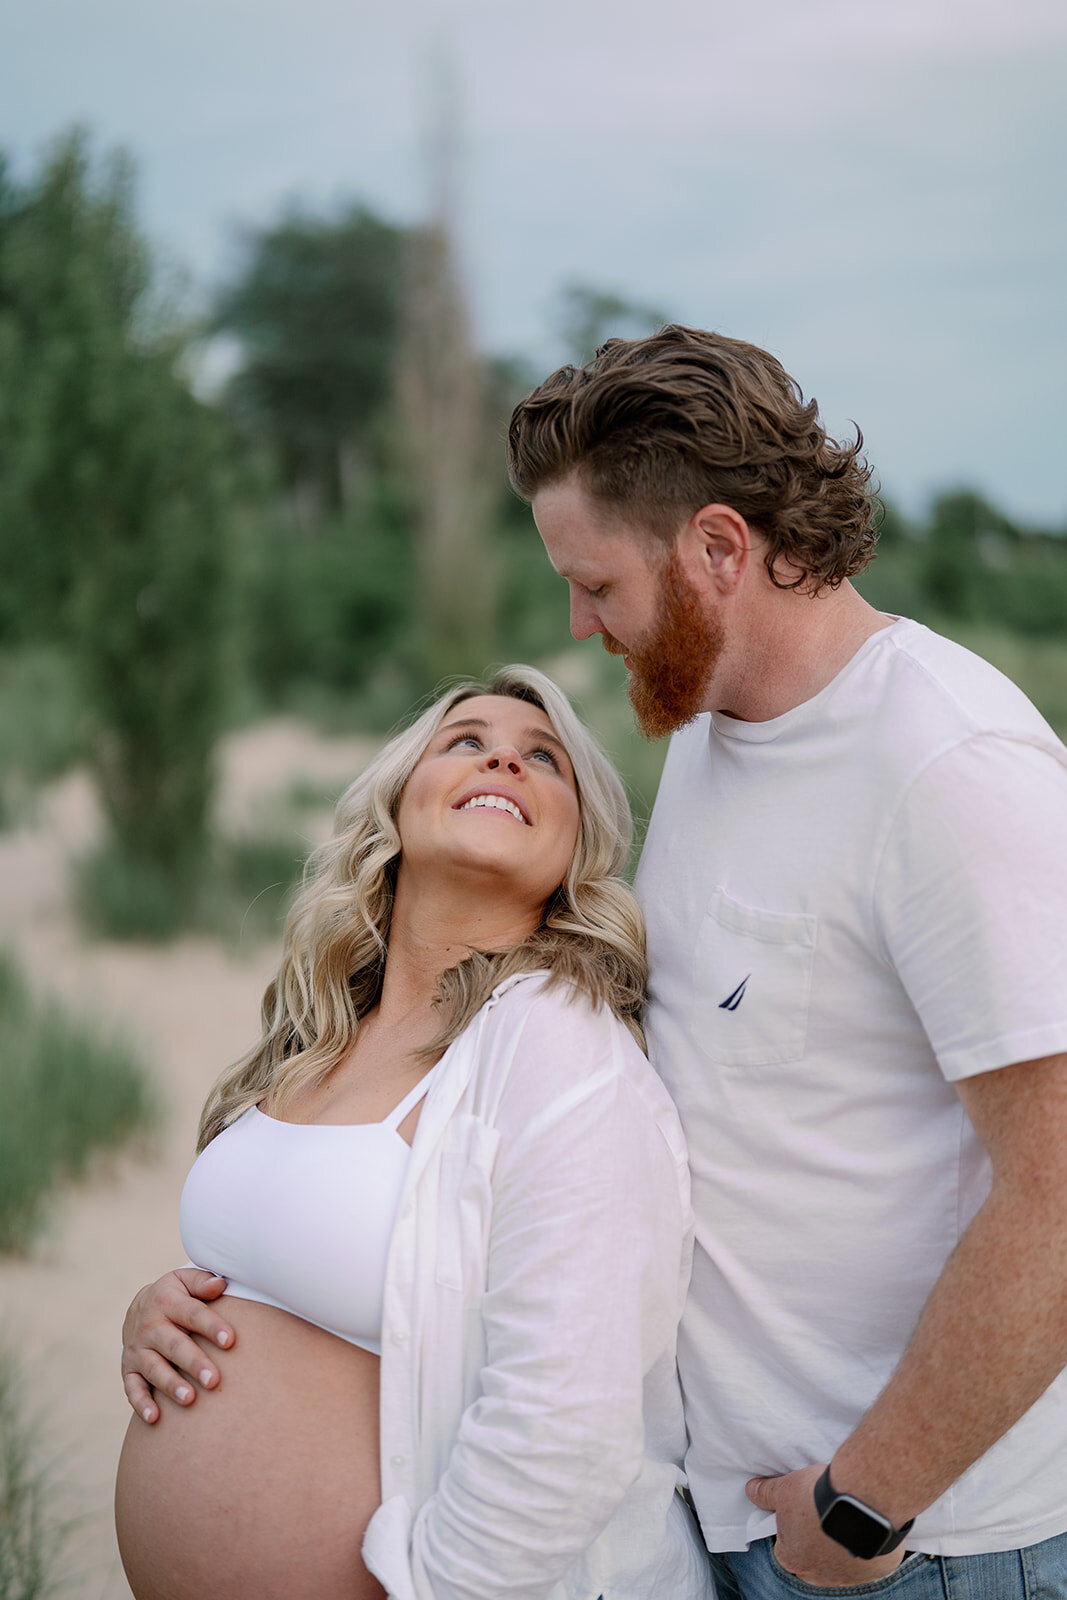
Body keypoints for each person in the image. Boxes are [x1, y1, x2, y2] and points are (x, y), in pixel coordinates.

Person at [505, 327, 1067, 1597]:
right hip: (742, 1524)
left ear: (716, 548)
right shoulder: (712, 726)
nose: (579, 625)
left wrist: (865, 1500)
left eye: (596, 585)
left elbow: (1059, 1192)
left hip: (924, 1551)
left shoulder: (947, 762)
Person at [115, 664, 712, 1600]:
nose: (504, 757)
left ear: (576, 849)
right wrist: (156, 1317)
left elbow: (566, 1431)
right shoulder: (321, 1032)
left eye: (543, 758)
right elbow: (278, 1279)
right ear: (398, 798)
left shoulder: (559, 1049)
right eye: (464, 740)